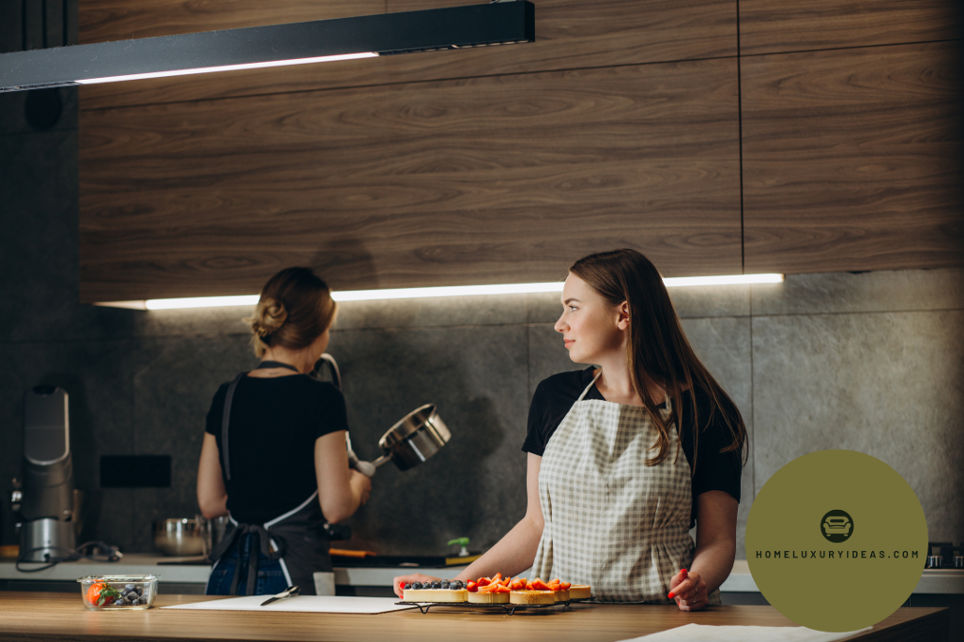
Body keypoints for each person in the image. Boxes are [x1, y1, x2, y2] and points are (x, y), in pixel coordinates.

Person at [393, 249, 746, 610]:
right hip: (557, 616)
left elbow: (717, 540)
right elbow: (536, 525)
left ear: (623, 314)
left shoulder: (706, 413)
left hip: (659, 618)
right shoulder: (554, 397)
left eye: (573, 307)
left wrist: (698, 582)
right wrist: (453, 585)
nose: (560, 323)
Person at [197, 266, 372, 595]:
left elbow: (210, 502)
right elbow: (334, 508)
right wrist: (358, 482)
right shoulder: (322, 398)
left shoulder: (227, 395)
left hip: (228, 572)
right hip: (291, 574)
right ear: (318, 332)